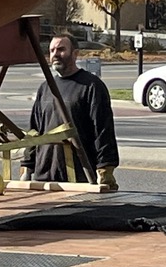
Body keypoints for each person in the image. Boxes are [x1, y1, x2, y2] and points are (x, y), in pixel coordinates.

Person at [23, 29, 119, 189]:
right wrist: (27, 167)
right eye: (52, 50)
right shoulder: (46, 87)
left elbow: (103, 130)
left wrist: (105, 169)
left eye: (61, 49)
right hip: (44, 176)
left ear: (75, 53)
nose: (55, 54)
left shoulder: (91, 86)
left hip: (79, 177)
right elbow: (34, 130)